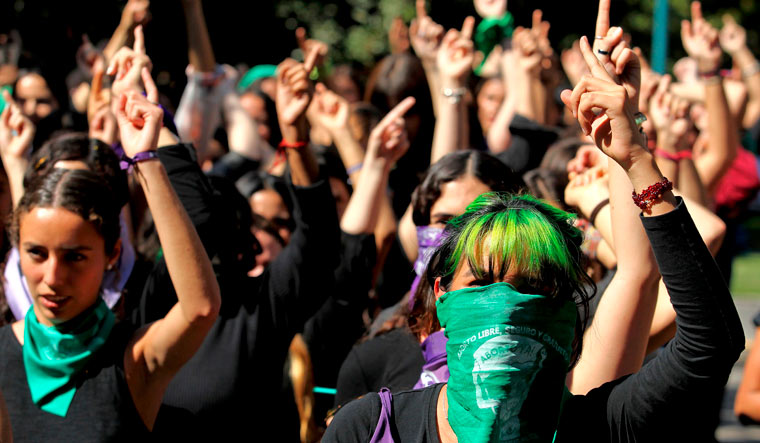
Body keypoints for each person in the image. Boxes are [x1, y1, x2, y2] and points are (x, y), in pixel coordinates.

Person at [323, 33, 744, 443]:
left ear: (565, 312)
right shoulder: (373, 426)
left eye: (532, 288)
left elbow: (709, 339)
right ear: (442, 294)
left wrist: (633, 156)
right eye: (482, 283)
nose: (506, 306)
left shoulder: (596, 423)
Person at [0, 69, 221, 439]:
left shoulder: (136, 360)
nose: (52, 278)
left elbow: (199, 308)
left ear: (112, 254)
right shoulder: (3, 354)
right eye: (37, 254)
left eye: (75, 257)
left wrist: (147, 160)